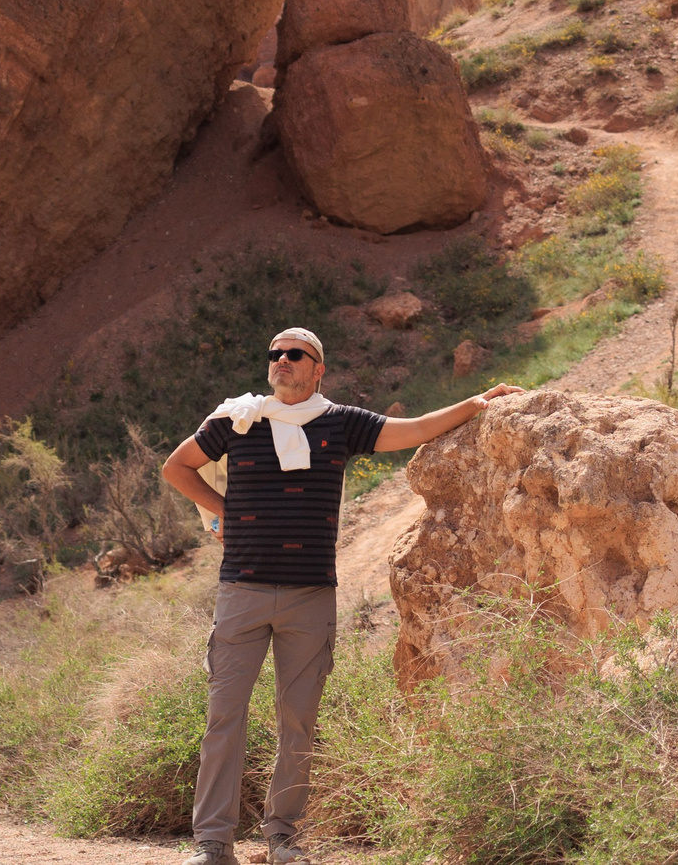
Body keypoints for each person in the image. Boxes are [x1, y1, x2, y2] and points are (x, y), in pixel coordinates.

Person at [159, 327, 516, 865]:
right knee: (224, 717)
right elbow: (176, 466)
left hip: (310, 597)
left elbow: (415, 429)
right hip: (242, 591)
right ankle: (213, 843)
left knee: (299, 720)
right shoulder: (238, 420)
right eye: (275, 353)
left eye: (294, 354)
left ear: (318, 369)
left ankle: (283, 837)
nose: (281, 360)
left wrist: (476, 402)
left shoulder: (341, 422)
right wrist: (224, 509)